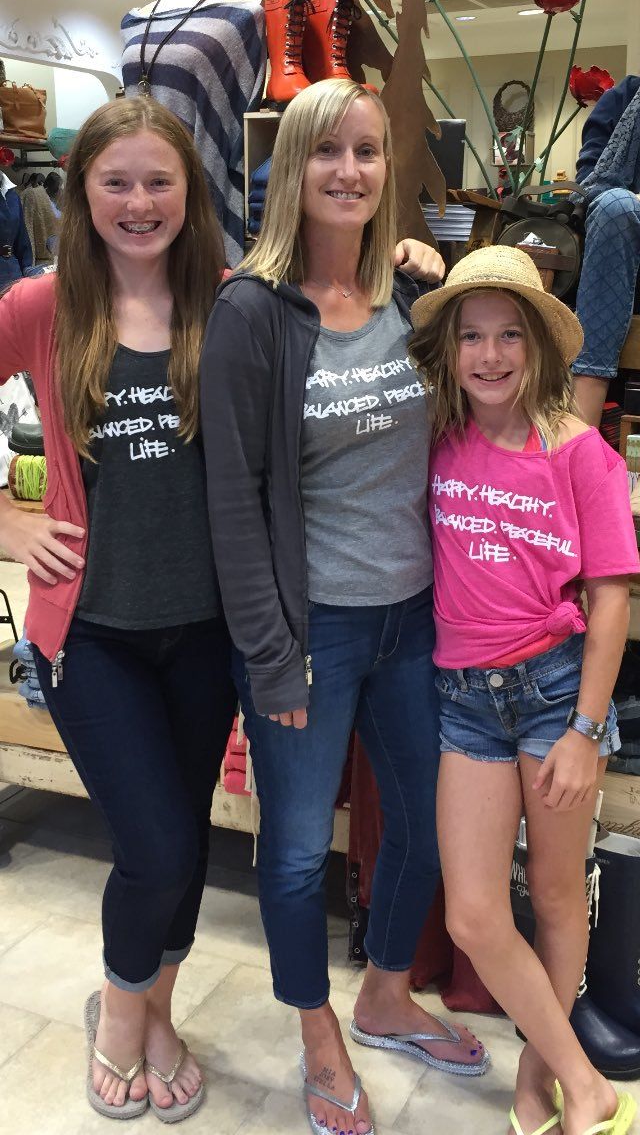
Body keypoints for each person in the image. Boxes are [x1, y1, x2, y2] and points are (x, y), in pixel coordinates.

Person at [199, 77, 488, 1135]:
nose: (349, 170)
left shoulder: (410, 297)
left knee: (420, 823)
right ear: (291, 168)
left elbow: (484, 378)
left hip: (414, 617)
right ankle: (318, 1033)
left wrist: (441, 271)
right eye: (327, 150)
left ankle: (385, 994)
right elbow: (233, 503)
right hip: (311, 627)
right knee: (290, 850)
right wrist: (270, 655)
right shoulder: (251, 312)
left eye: (366, 151)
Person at [0, 96, 238, 1122]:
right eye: (116, 181)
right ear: (81, 190)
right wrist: (6, 524)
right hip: (91, 634)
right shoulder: (40, 305)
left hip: (208, 632)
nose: (139, 202)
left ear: (190, 191)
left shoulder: (229, 304)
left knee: (185, 836)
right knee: (155, 846)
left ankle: (155, 1010)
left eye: (159, 181)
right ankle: (120, 1013)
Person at [410, 244, 639, 1135]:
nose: (491, 354)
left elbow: (611, 598)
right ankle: (590, 1084)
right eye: (472, 335)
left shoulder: (581, 454)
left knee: (553, 895)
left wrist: (585, 728)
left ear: (538, 346)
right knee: (474, 913)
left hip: (555, 693)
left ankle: (540, 1080)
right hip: (465, 700)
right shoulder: (439, 437)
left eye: (510, 334)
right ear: (451, 349)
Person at [572, 74, 640, 425]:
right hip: (624, 246)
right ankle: (581, 425)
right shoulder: (626, 96)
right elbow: (590, 181)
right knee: (615, 205)